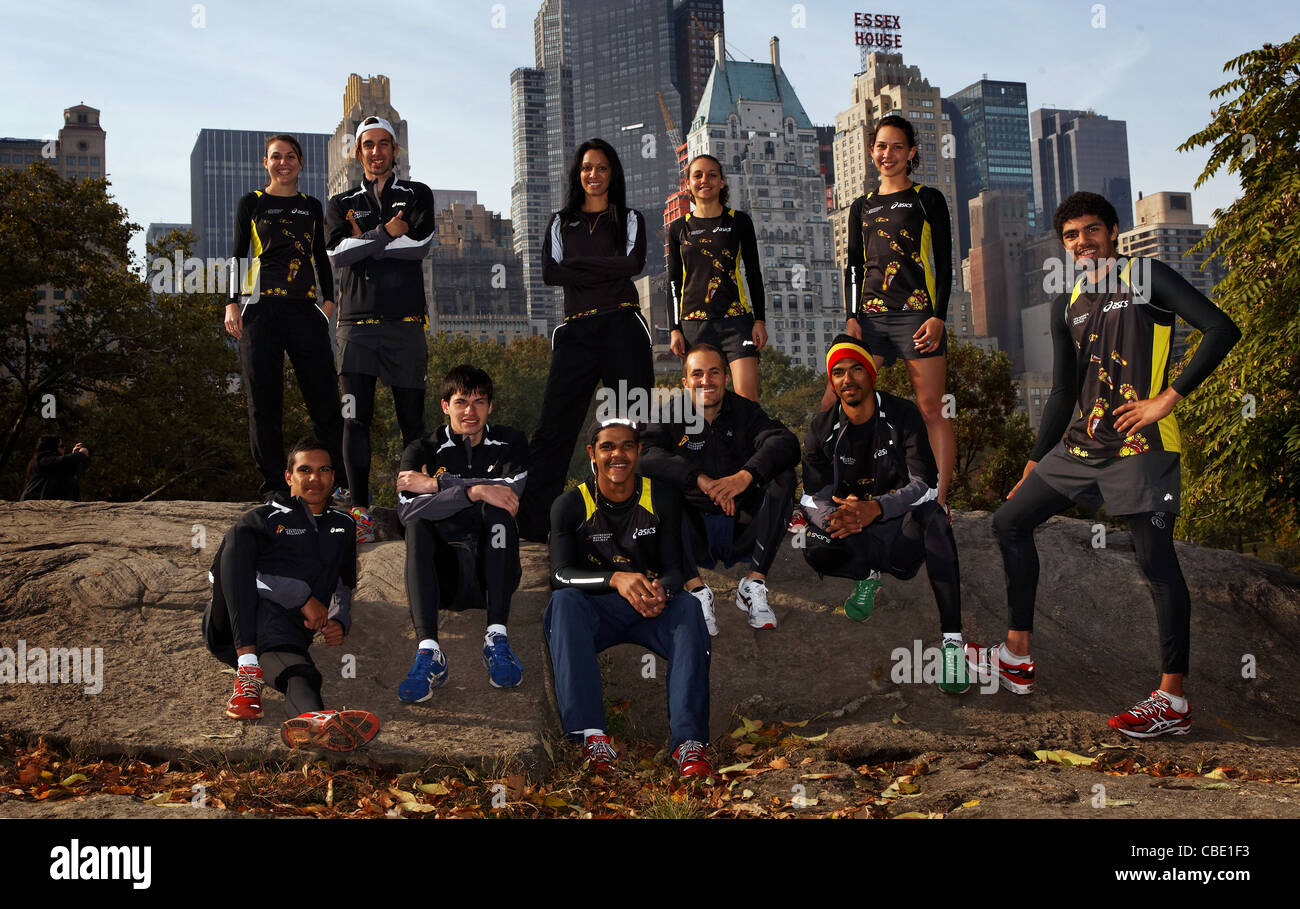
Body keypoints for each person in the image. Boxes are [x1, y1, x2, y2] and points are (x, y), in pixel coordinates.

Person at [969, 191, 1240, 737]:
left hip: (1141, 443)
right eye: (1071, 236)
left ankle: (1172, 700)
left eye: (1092, 230)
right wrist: (1034, 459)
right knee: (1010, 521)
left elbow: (1221, 330)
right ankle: (1017, 655)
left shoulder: (1148, 276)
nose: (1082, 243)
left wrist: (1168, 397)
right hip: (1080, 445)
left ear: (1113, 231)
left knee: (1155, 561)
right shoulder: (1065, 301)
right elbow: (1066, 389)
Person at [801, 335, 970, 694]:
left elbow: (926, 483)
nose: (848, 379)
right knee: (814, 547)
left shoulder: (901, 413)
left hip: (898, 531)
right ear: (832, 381)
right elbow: (812, 496)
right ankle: (867, 576)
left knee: (935, 517)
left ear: (871, 375)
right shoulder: (821, 428)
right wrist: (838, 518)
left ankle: (952, 643)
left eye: (857, 369)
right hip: (855, 533)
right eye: (839, 372)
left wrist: (875, 509)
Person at [544, 419, 712, 777]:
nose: (617, 455)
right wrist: (615, 579)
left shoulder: (662, 496)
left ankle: (689, 743)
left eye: (626, 446)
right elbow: (559, 575)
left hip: (650, 608)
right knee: (563, 603)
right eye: (607, 447)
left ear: (637, 452)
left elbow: (673, 567)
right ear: (592, 453)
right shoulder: (570, 504)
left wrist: (662, 591)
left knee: (689, 606)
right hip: (597, 612)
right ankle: (592, 738)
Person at [201, 437, 380, 752]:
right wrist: (299, 596)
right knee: (237, 536)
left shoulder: (343, 525)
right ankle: (247, 668)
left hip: (282, 633)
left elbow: (342, 582)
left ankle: (317, 723)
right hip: (232, 623)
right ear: (289, 477)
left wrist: (338, 619)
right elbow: (221, 575)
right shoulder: (264, 517)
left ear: (333, 476)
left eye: (324, 470)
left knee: (301, 672)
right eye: (305, 470)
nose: (315, 478)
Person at [515, 138, 650, 542]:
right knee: (554, 427)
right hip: (575, 330)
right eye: (587, 168)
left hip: (623, 327)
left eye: (602, 168)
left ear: (613, 174)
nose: (594, 175)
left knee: (634, 423)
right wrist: (608, 269)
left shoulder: (630, 218)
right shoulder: (560, 222)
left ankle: (640, 519)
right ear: (578, 174)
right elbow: (550, 273)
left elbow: (633, 264)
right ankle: (536, 525)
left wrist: (578, 265)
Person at [831, 114, 957, 508]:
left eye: (897, 146)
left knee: (931, 408)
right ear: (871, 152)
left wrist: (939, 316)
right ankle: (832, 494)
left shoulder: (927, 198)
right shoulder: (860, 206)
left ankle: (938, 501)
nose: (888, 154)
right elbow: (853, 265)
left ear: (911, 152)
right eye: (881, 146)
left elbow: (945, 262)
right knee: (836, 403)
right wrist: (852, 315)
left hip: (917, 315)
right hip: (869, 318)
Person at [325, 115, 436, 543]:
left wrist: (366, 241)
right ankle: (359, 510)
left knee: (414, 423)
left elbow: (419, 246)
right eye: (368, 145)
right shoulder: (340, 202)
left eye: (384, 144)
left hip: (405, 326)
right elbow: (337, 254)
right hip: (354, 329)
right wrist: (387, 231)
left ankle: (415, 507)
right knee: (355, 420)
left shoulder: (418, 193)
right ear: (358, 153)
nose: (376, 151)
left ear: (395, 150)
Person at [640, 344, 799, 633]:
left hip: (743, 527)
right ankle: (696, 590)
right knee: (657, 483)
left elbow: (785, 442)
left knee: (783, 476)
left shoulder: (746, 411)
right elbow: (644, 455)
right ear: (685, 382)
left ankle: (754, 583)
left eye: (714, 372)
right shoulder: (669, 415)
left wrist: (744, 476)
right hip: (691, 533)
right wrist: (696, 477)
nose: (706, 381)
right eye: (697, 374)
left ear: (726, 377)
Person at [394, 365, 530, 699]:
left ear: (490, 407)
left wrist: (438, 485)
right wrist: (474, 491)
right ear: (445, 406)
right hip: (443, 580)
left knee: (497, 512)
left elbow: (510, 492)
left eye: (479, 402)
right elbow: (408, 509)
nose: (470, 411)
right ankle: (429, 651)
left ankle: (496, 638)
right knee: (418, 525)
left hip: (493, 575)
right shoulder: (421, 449)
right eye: (461, 402)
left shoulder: (510, 442)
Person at [225, 134, 344, 501]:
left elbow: (321, 257)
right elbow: (238, 253)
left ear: (300, 163)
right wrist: (231, 302)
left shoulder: (311, 206)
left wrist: (328, 300)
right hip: (259, 310)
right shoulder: (252, 202)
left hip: (304, 309)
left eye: (290, 156)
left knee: (324, 399)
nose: (283, 162)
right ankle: (275, 487)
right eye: (276, 157)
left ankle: (336, 483)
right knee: (264, 402)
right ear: (266, 163)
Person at [667, 155, 767, 400]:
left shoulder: (739, 221)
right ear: (687, 184)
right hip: (694, 324)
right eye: (698, 175)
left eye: (712, 175)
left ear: (722, 181)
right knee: (701, 401)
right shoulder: (678, 228)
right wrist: (674, 329)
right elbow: (673, 284)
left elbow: (754, 274)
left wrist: (760, 321)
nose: (705, 180)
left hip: (736, 321)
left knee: (747, 399)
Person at [20, 435, 89, 501]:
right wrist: (80, 454)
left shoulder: (45, 461)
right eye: (61, 446)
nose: (64, 448)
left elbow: (64, 466)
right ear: (53, 447)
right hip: (34, 503)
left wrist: (74, 455)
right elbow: (61, 461)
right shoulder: (43, 460)